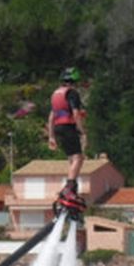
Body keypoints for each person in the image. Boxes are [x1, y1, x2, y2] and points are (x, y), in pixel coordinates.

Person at [48, 67, 88, 210]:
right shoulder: (72, 93)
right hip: (68, 127)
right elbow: (76, 113)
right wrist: (81, 131)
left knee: (72, 158)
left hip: (58, 128)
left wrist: (51, 136)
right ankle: (69, 188)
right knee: (79, 158)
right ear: (74, 81)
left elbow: (52, 116)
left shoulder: (56, 94)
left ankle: (71, 186)